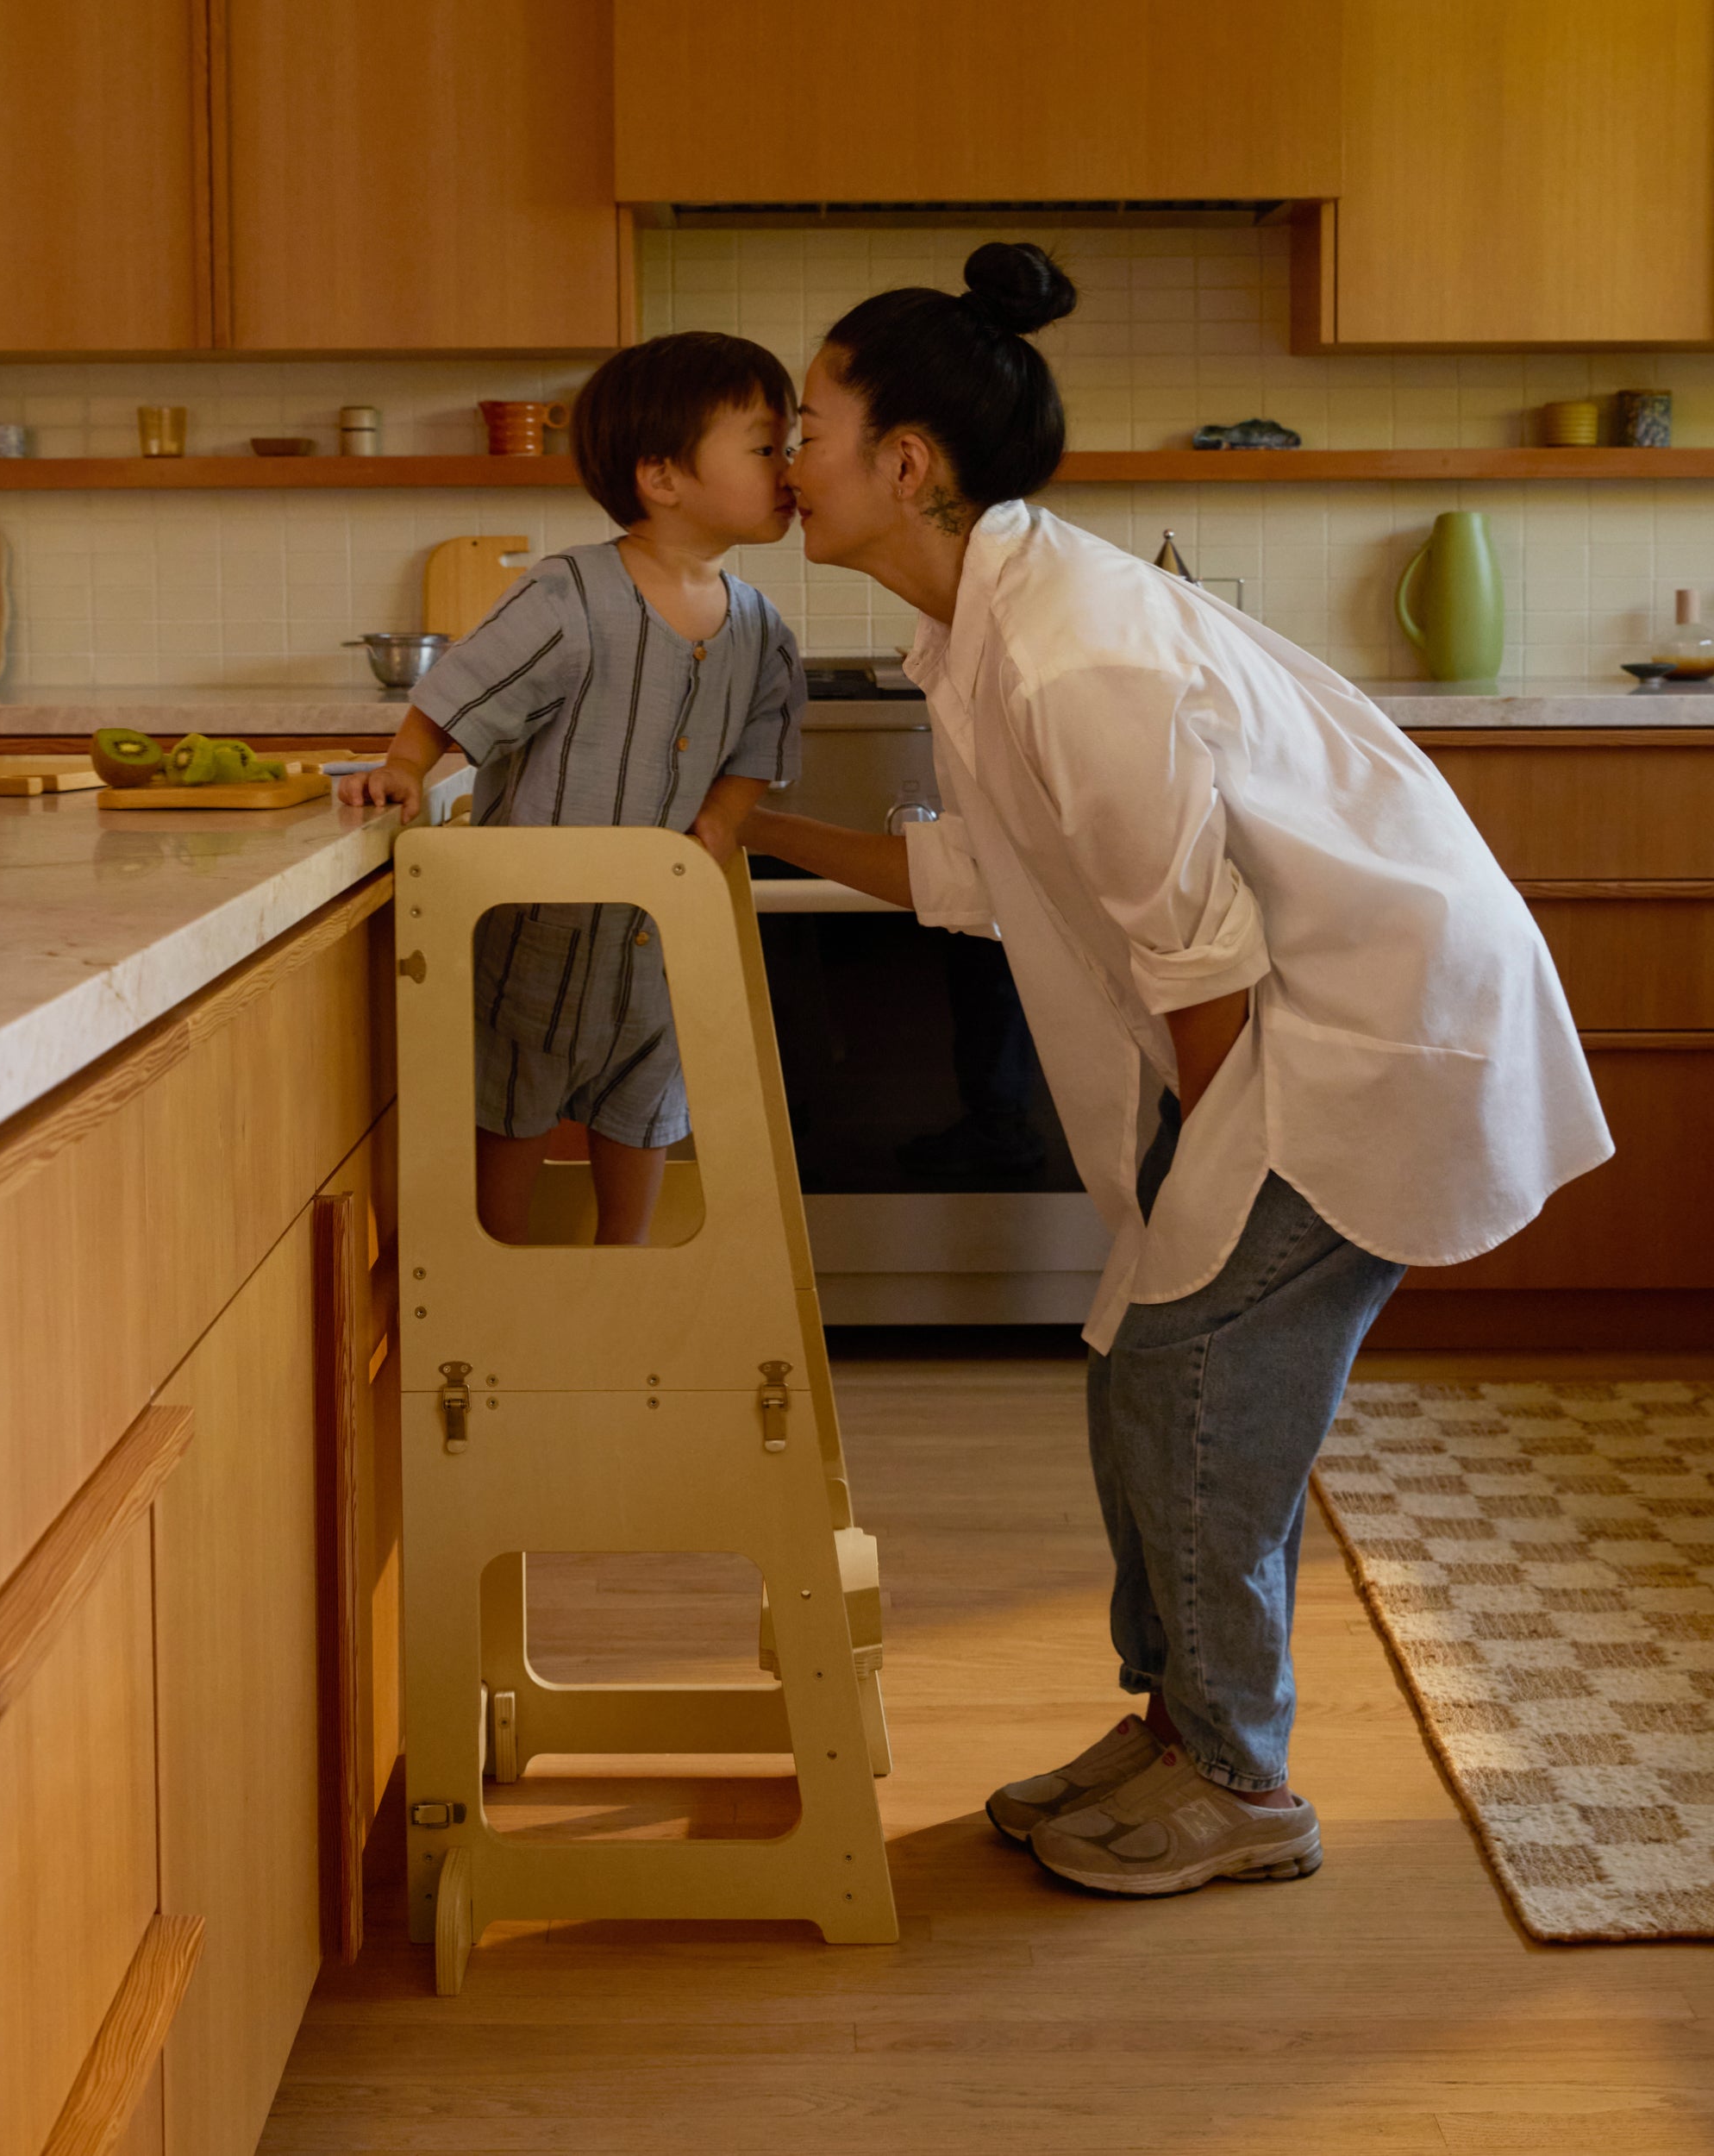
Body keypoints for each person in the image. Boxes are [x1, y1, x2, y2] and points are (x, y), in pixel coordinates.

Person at [735, 241, 1613, 1897]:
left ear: (904, 462)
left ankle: (1236, 1775)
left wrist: (1188, 1184)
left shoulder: (1073, 650)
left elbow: (1198, 956)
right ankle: (1179, 1719)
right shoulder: (994, 628)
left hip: (1370, 1032)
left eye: (810, 424)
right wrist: (756, 826)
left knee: (1193, 1370)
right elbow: (999, 881)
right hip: (1297, 1021)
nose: (789, 460)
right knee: (1155, 1366)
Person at [341, 333, 804, 1246]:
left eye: (788, 445)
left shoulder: (762, 628)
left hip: (658, 945)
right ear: (662, 476)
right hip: (536, 938)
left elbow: (761, 746)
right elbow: (460, 692)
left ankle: (620, 1265)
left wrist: (720, 821)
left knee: (644, 1109)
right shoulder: (570, 595)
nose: (788, 468)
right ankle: (496, 1272)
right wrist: (402, 766)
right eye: (763, 447)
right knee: (511, 1110)